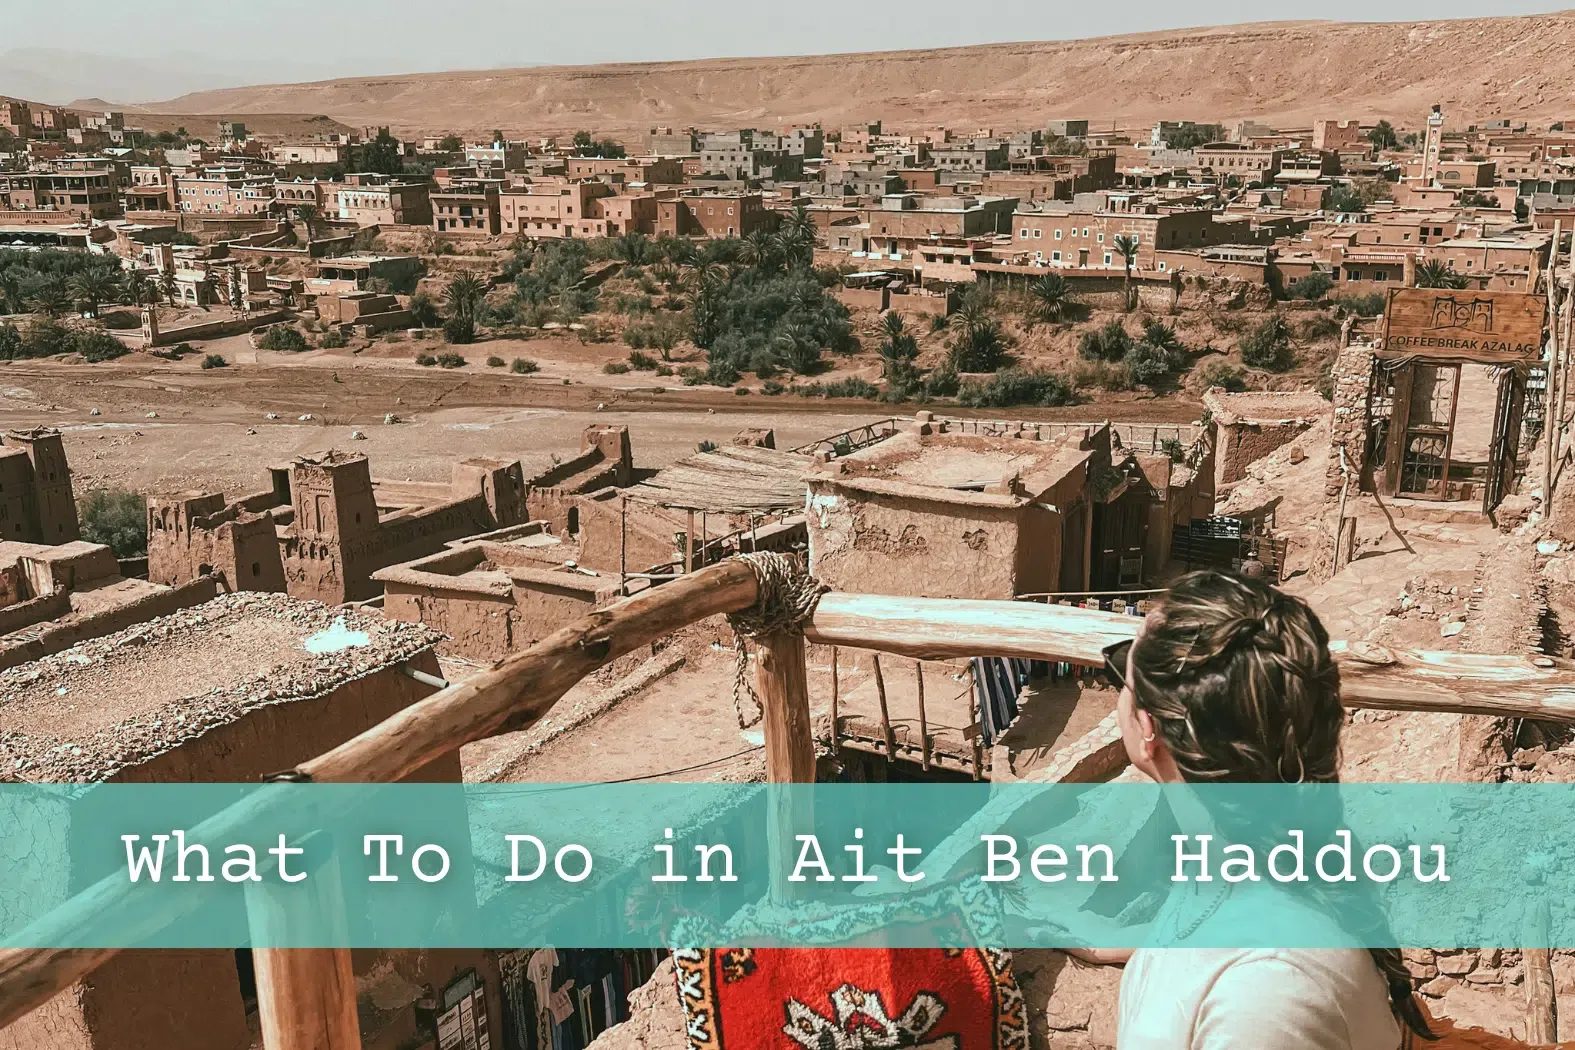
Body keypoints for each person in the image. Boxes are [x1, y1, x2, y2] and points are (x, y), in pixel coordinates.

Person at [1103, 570, 1434, 1049]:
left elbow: (1254, 976)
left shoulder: (1268, 995)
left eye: (1119, 672)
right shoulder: (1242, 860)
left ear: (1148, 726)